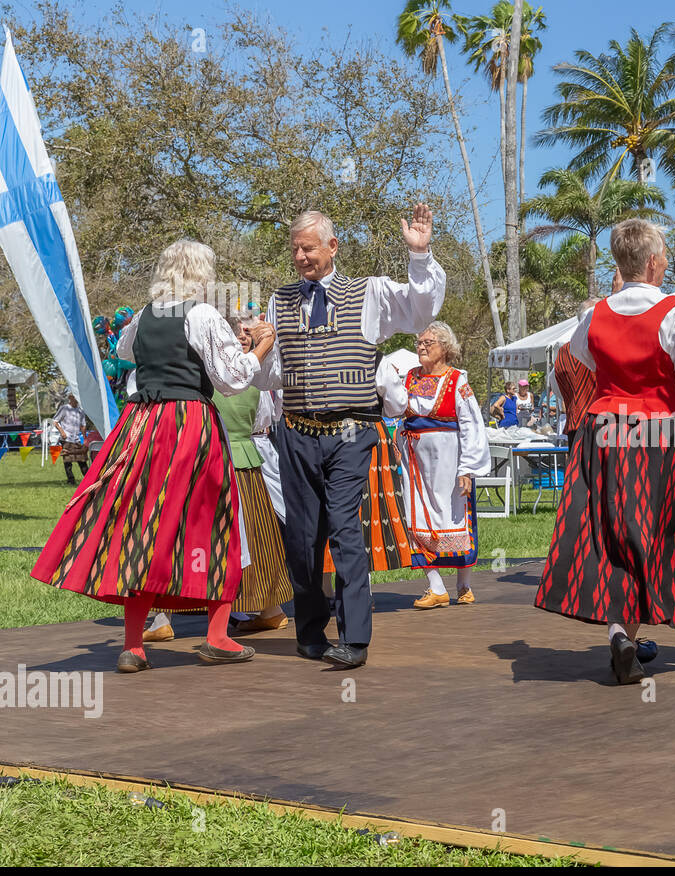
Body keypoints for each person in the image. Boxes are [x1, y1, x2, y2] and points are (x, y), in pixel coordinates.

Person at [31, 239, 275, 672]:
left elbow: (125, 352)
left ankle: (133, 646)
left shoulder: (143, 317)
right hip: (189, 425)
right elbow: (232, 379)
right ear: (201, 274)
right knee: (213, 519)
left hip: (142, 426)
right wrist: (259, 348)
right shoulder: (202, 314)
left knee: (143, 524)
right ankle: (217, 636)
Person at [250, 205, 445, 669]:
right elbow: (273, 377)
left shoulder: (369, 293)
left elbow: (420, 311)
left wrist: (419, 256)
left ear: (332, 247)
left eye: (309, 247)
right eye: (295, 249)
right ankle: (310, 631)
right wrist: (254, 353)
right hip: (295, 433)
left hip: (351, 432)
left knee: (342, 530)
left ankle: (354, 638)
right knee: (301, 538)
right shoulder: (279, 301)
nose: (300, 256)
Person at [534, 218, 675, 685]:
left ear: (621, 262)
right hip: (660, 432)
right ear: (654, 262)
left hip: (603, 429)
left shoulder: (596, 314)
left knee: (610, 532)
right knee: (652, 534)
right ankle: (625, 635)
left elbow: (584, 357)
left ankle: (620, 633)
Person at [377, 322, 490, 609]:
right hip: (415, 461)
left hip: (450, 461)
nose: (422, 346)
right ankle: (436, 586)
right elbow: (394, 409)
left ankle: (463, 584)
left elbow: (472, 424)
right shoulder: (409, 378)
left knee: (455, 515)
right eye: (420, 342)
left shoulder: (457, 380)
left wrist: (467, 468)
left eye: (429, 342)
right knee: (414, 517)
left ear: (445, 348)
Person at [211, 314, 293, 632]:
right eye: (241, 333)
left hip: (218, 457)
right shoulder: (252, 376)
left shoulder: (212, 374)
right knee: (257, 534)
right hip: (248, 456)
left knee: (199, 532)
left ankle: (167, 615)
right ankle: (269, 607)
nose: (244, 338)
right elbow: (265, 418)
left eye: (247, 333)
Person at [52, 392, 90, 485]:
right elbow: (55, 421)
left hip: (76, 439)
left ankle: (89, 479)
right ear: (70, 398)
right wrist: (62, 432)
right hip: (66, 438)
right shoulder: (64, 408)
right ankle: (71, 480)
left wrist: (85, 437)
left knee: (82, 460)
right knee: (68, 461)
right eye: (74, 396)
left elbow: (83, 425)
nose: (76, 398)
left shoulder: (80, 411)